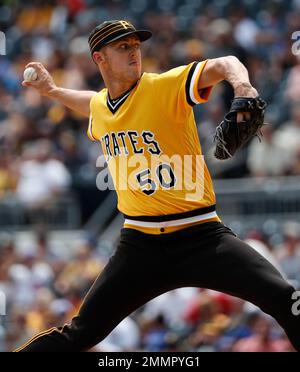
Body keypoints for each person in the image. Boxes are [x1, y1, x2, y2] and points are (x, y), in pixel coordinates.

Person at [16, 20, 300, 352]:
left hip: (202, 236)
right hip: (140, 246)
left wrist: (243, 87)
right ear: (99, 58)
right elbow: (91, 103)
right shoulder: (102, 109)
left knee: (285, 296)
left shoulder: (164, 87)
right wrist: (52, 92)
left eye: (136, 45)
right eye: (123, 47)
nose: (134, 51)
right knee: (79, 334)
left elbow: (225, 64)